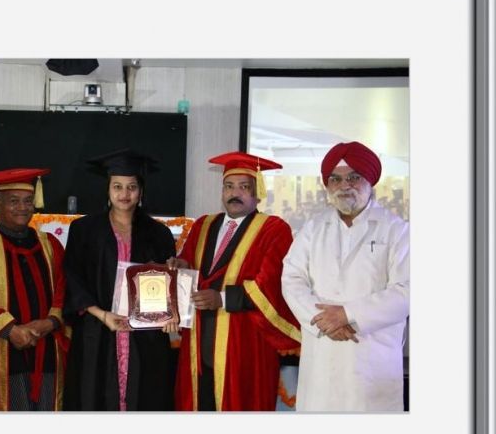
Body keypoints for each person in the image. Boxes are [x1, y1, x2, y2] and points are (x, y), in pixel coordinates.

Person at [281, 141, 409, 411]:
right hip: (322, 357)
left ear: (370, 181)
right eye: (335, 179)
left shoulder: (397, 230)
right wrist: (324, 321)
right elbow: (291, 279)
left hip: (371, 361)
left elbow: (407, 290)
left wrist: (347, 314)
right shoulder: (313, 229)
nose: (344, 185)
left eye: (354, 177)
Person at [169, 151, 301, 411]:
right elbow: (189, 263)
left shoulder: (274, 229)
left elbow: (270, 284)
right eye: (229, 186)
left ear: (257, 193)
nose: (234, 193)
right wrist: (180, 266)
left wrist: (222, 299)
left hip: (245, 344)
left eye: (244, 187)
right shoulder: (203, 225)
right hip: (198, 342)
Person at [63, 148, 178, 411]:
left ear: (141, 191)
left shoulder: (159, 233)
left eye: (132, 187)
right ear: (107, 189)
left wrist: (171, 313)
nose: (124, 194)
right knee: (94, 397)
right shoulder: (84, 230)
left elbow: (167, 287)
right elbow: (73, 278)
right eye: (117, 186)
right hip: (98, 330)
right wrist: (102, 315)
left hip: (145, 336)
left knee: (146, 398)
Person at [0, 168, 69, 411]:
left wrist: (50, 322)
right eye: (13, 201)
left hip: (46, 349)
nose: (22, 208)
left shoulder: (50, 245)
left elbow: (64, 288)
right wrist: (10, 330)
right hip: (1, 349)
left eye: (28, 201)